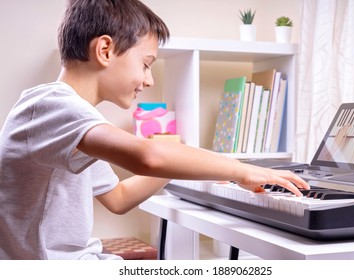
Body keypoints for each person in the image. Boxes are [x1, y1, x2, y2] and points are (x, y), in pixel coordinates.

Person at [0, 0, 309, 260]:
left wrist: (183, 164)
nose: (148, 80)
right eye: (146, 64)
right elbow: (147, 157)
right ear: (105, 50)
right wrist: (239, 170)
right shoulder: (52, 105)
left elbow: (118, 198)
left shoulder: (70, 123)